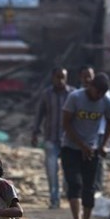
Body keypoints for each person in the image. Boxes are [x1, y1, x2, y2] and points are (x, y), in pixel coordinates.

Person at [62, 72, 110, 219]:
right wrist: (81, 145)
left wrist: (104, 144)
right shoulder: (75, 97)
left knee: (89, 187)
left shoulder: (105, 101)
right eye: (96, 92)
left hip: (92, 149)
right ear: (91, 86)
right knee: (74, 183)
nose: (98, 96)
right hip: (71, 148)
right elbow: (66, 123)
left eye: (101, 94)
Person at [32, 68, 74, 209]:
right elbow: (39, 114)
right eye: (58, 77)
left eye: (63, 77)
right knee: (51, 170)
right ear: (53, 78)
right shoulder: (46, 94)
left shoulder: (73, 94)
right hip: (50, 138)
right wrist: (35, 132)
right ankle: (54, 199)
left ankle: (69, 195)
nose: (60, 80)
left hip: (69, 139)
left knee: (69, 170)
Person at [79, 65, 110, 194]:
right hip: (83, 133)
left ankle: (96, 188)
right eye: (85, 77)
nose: (87, 79)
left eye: (89, 76)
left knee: (97, 161)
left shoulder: (104, 93)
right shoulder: (78, 94)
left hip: (100, 131)